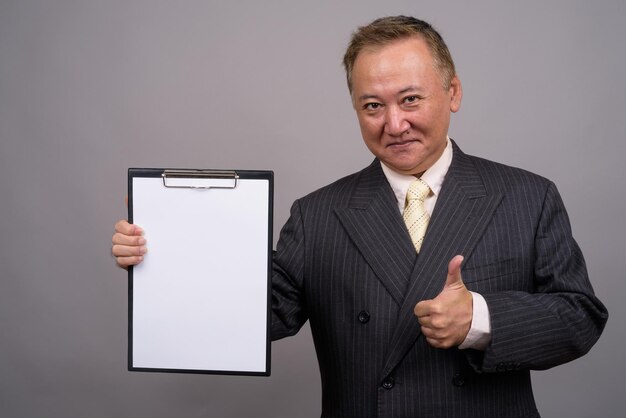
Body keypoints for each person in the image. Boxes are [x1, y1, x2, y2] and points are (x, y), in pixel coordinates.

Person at [112, 16, 608, 418]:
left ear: (452, 92)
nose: (395, 123)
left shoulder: (527, 195)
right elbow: (257, 315)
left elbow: (580, 319)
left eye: (411, 99)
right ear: (355, 108)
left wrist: (479, 318)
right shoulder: (318, 214)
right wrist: (166, 257)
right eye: (373, 105)